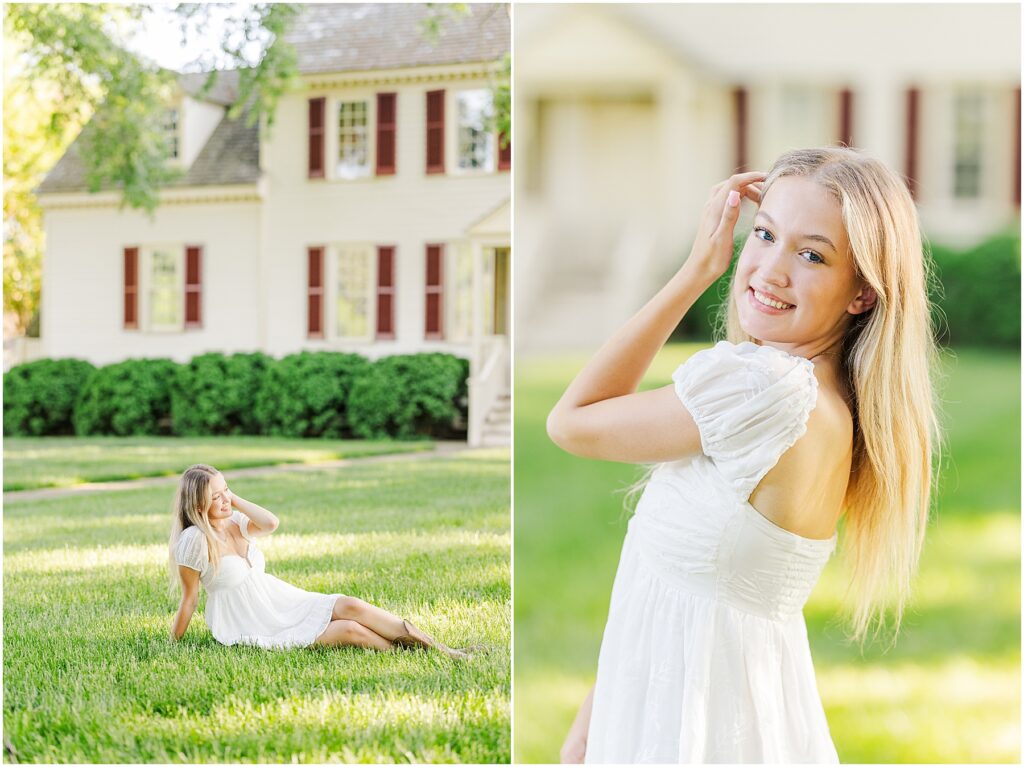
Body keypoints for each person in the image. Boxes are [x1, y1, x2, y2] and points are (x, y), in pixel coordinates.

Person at [547, 147, 942, 763]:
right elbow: (684, 583)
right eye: (764, 234)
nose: (770, 270)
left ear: (862, 291)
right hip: (718, 709)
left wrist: (694, 271)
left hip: (695, 722)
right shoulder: (831, 399)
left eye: (812, 254)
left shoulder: (764, 387)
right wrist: (591, 725)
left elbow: (571, 422)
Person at [168, 463, 472, 658]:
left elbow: (271, 523)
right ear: (197, 503)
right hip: (250, 619)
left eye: (226, 491)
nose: (225, 500)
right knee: (348, 630)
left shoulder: (236, 520)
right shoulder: (194, 541)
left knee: (349, 605)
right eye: (216, 496)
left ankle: (444, 650)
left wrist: (232, 498)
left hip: (280, 600)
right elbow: (190, 599)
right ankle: (414, 654)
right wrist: (173, 644)